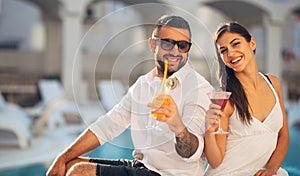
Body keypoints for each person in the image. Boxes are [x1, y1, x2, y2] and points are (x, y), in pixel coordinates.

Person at [46, 15, 213, 176]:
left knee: (79, 173)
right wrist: (64, 155)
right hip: (143, 167)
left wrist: (177, 125)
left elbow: (192, 152)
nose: (175, 51)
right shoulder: (143, 84)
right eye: (168, 43)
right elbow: (107, 126)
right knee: (69, 165)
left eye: (183, 45)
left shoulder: (198, 89)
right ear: (153, 44)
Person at [204, 22, 290, 176]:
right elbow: (215, 161)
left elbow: (283, 135)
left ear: (252, 43)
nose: (230, 53)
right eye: (224, 51)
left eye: (235, 44)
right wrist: (209, 131)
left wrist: (271, 169)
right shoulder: (226, 97)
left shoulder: (273, 83)